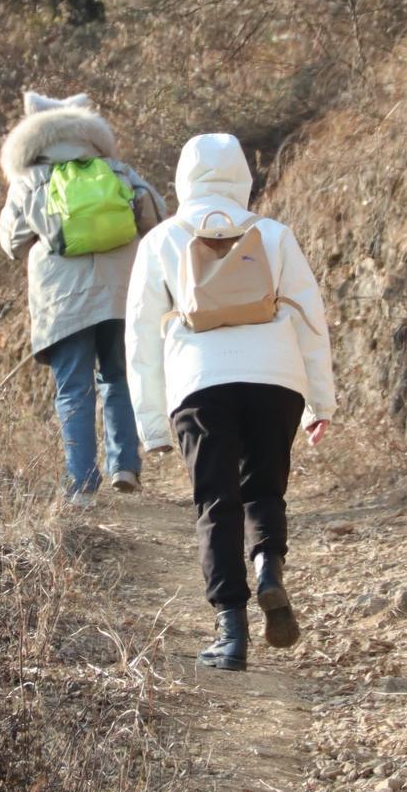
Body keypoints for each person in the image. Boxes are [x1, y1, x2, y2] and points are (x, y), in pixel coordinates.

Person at [125, 132, 335, 671]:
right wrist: (319, 402)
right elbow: (311, 321)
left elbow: (141, 341)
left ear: (182, 179)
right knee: (264, 488)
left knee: (216, 501)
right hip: (275, 379)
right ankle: (268, 567)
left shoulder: (163, 240)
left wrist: (151, 426)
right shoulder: (273, 234)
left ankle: (232, 633)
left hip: (200, 385)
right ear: (242, 176)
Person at [0, 90, 164, 504]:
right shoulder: (117, 170)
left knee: (73, 389)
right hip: (120, 293)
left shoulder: (30, 180)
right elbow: (157, 215)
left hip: (62, 299)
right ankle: (124, 465)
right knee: (118, 378)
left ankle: (81, 484)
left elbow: (10, 242)